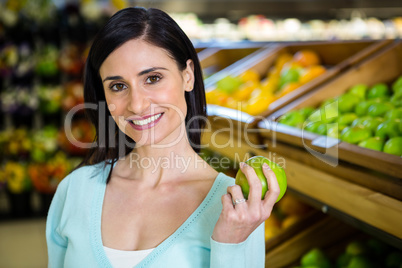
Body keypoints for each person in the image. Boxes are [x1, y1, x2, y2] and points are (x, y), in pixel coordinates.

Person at [46, 7, 280, 268]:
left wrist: (230, 244)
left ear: (187, 75)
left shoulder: (236, 211)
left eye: (153, 78)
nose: (136, 104)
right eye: (118, 86)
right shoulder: (76, 190)